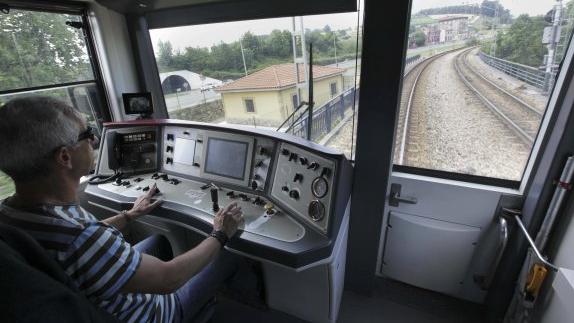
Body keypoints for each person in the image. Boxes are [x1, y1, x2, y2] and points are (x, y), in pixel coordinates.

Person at [0, 96, 243, 323]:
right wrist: (219, 233)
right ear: (65, 157)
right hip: (151, 313)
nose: (94, 141)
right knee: (230, 253)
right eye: (87, 134)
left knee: (158, 240)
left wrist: (128, 216)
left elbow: (81, 243)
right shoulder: (79, 237)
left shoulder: (12, 213)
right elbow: (169, 279)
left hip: (93, 299)